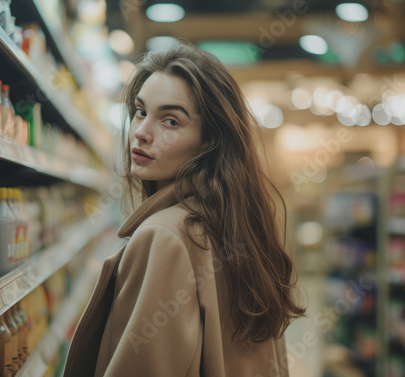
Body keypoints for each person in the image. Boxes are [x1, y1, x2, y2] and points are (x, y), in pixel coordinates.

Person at [63, 42, 305, 377]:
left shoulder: (163, 238)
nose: (142, 133)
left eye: (171, 121)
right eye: (140, 111)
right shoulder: (237, 224)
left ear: (209, 141)